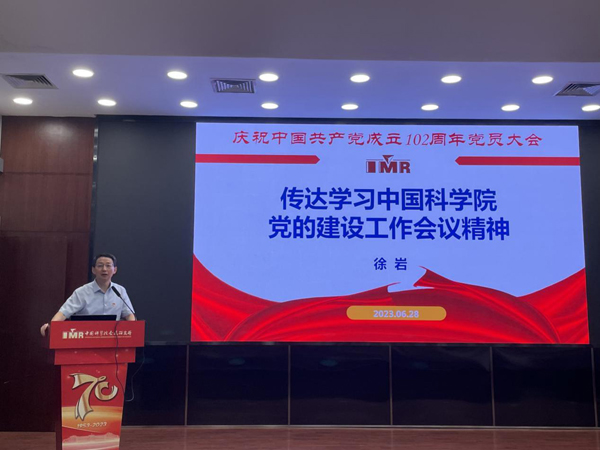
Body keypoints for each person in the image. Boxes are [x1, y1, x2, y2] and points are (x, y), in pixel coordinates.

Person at [40, 254, 135, 336]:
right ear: (93, 270)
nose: (104, 269)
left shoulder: (120, 291)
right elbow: (64, 312)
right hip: (86, 337)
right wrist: (51, 326)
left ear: (115, 270)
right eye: (100, 265)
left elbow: (129, 315)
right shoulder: (82, 292)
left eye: (108, 266)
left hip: (113, 338)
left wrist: (132, 329)